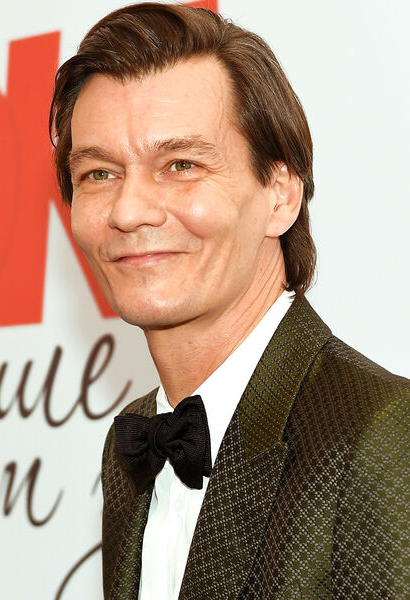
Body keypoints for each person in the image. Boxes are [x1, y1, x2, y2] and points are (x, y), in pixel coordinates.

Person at [49, 3, 410, 599]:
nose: (129, 211)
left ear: (280, 195)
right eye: (99, 174)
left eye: (181, 165)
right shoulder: (131, 450)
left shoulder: (384, 438)